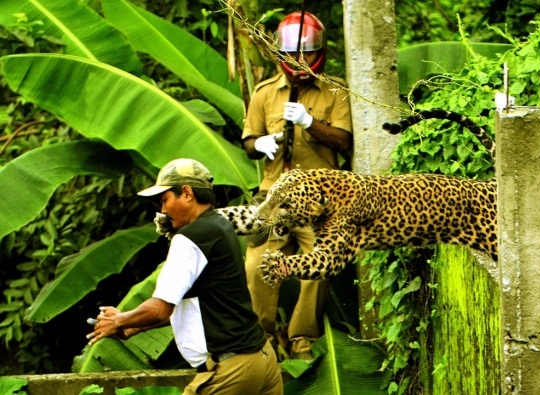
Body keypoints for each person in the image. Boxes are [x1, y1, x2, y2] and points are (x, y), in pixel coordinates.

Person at [86, 158, 282, 395]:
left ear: (187, 193)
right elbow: (199, 307)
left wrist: (117, 321)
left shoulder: (190, 238)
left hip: (232, 370)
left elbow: (160, 308)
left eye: (165, 199)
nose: (163, 210)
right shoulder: (220, 226)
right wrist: (133, 326)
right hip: (263, 360)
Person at [241, 11, 353, 360]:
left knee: (319, 264)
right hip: (273, 193)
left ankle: (302, 339)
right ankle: (264, 340)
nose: (299, 60)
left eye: (306, 53)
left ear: (319, 52)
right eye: (292, 54)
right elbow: (248, 141)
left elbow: (343, 140)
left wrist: (309, 123)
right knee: (256, 266)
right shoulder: (264, 94)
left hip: (319, 198)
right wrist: (259, 144)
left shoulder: (334, 91)